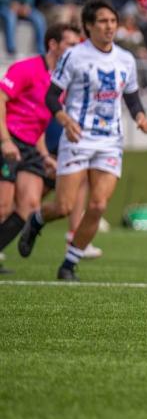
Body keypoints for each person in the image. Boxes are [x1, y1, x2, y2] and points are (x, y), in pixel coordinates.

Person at [18, 0, 147, 281]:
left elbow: (131, 96)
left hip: (110, 141)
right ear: (89, 26)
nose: (109, 27)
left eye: (113, 21)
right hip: (78, 137)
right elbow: (51, 96)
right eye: (102, 21)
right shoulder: (74, 56)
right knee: (64, 206)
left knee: (99, 205)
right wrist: (64, 118)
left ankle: (69, 263)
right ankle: (37, 220)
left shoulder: (125, 59)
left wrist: (140, 116)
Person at [0, 24, 81, 256]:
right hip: (8, 138)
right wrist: (5, 140)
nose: (76, 51)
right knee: (3, 207)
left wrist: (45, 155)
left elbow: (38, 124)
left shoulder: (60, 83)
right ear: (53, 45)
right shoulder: (26, 69)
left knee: (29, 206)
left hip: (30, 146)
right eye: (71, 45)